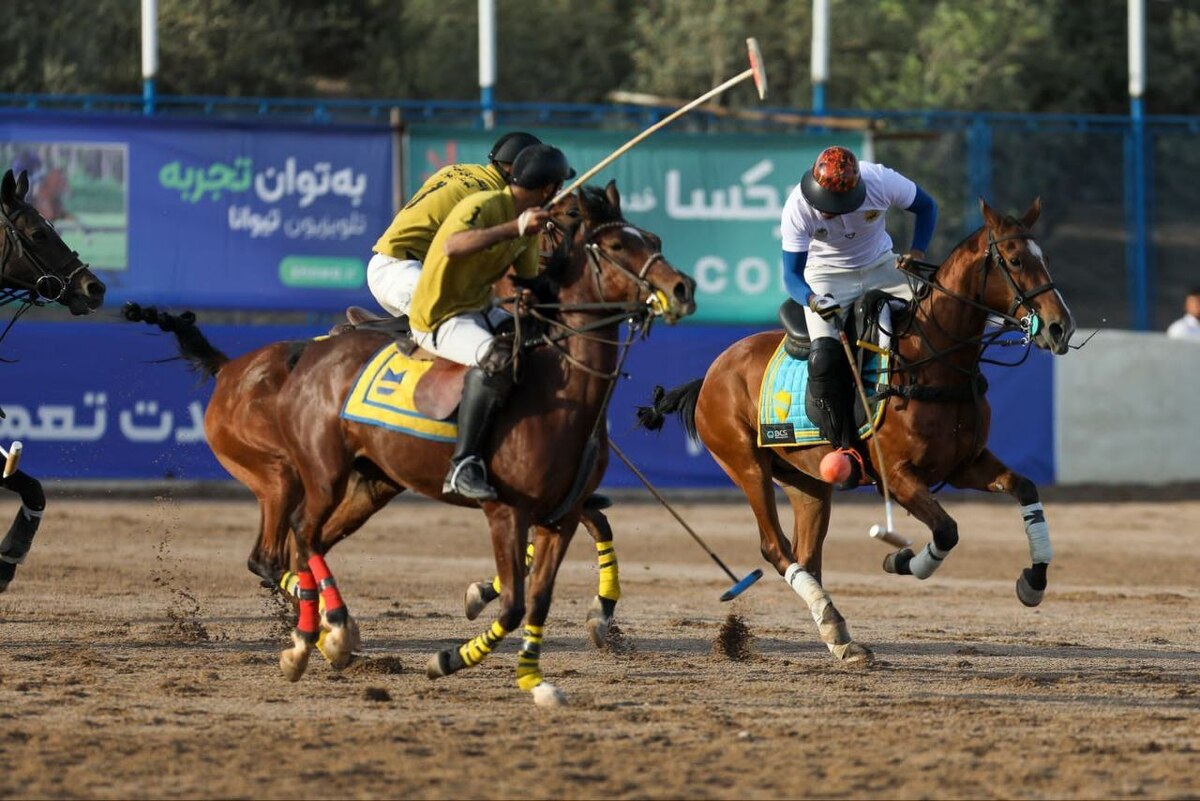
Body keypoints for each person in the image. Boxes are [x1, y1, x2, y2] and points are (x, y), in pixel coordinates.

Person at [409, 144, 575, 501]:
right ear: (548, 189)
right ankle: (463, 465)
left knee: (543, 347)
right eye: (558, 188)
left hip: (479, 307)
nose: (558, 196)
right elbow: (453, 246)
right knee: (493, 357)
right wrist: (513, 228)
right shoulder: (482, 206)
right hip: (440, 315)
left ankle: (550, 465)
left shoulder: (529, 226)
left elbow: (526, 286)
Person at [780, 145, 939, 489]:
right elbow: (791, 276)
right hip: (825, 277)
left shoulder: (880, 179)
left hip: (883, 266)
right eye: (827, 206)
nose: (832, 213)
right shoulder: (798, 206)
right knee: (823, 357)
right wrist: (811, 298)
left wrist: (916, 252)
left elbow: (927, 207)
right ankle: (844, 448)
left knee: (936, 317)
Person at [367, 131, 543, 318]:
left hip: (403, 269)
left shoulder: (458, 170)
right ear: (517, 171)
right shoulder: (490, 198)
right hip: (401, 271)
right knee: (462, 326)